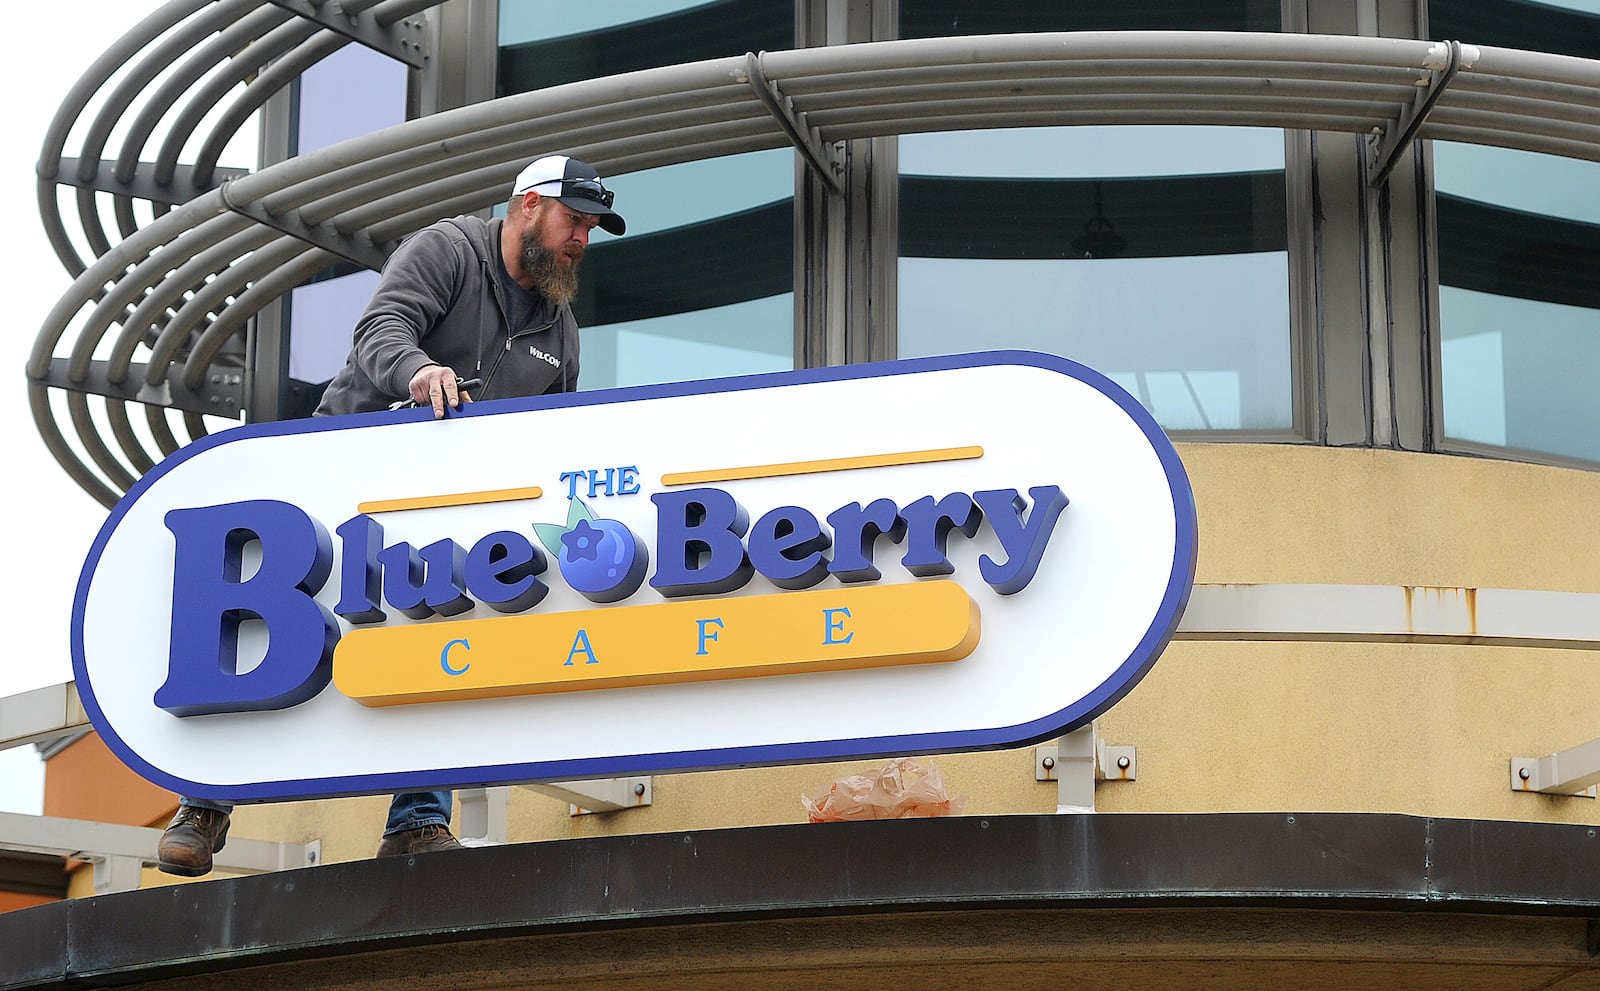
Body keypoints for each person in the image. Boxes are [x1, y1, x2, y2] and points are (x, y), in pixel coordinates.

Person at [155, 154, 626, 877]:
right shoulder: (449, 250)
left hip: (442, 513)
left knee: (450, 632)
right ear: (529, 205)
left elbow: (553, 441)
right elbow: (380, 329)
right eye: (575, 220)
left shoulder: (558, 331)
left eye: (592, 228)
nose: (582, 240)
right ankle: (204, 801)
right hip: (343, 476)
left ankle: (416, 820)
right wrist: (418, 370)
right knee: (270, 626)